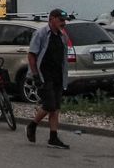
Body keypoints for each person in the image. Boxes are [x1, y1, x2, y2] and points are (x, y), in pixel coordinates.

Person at [25, 9, 71, 150]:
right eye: (60, 20)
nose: (63, 23)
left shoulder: (62, 35)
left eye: (64, 21)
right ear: (52, 19)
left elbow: (65, 54)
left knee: (56, 107)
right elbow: (32, 55)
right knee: (50, 105)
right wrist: (35, 75)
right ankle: (32, 125)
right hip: (44, 75)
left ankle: (53, 137)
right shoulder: (41, 34)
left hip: (58, 75)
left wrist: (64, 35)